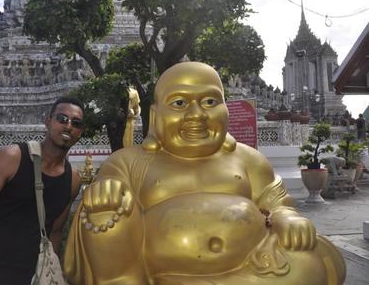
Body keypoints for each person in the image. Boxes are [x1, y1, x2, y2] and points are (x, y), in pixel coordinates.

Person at [63, 62, 345, 285]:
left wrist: (287, 217)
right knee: (105, 212)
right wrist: (107, 193)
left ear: (225, 107)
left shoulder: (247, 159)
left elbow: (276, 202)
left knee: (310, 263)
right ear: (155, 114)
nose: (196, 114)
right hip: (151, 268)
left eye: (210, 101)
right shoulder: (128, 162)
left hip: (258, 264)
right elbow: (104, 198)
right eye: (180, 103)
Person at [0, 97, 85, 285]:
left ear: (80, 132)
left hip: (29, 277)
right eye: (62, 119)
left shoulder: (73, 180)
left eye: (76, 123)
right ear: (48, 121)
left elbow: (55, 233)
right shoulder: (11, 158)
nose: (68, 126)